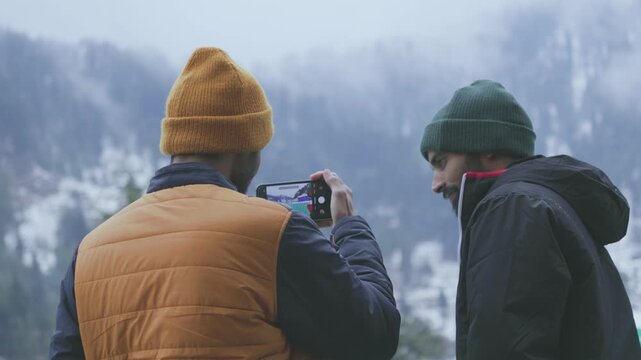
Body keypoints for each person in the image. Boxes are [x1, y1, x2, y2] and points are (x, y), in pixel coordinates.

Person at [49, 47, 400, 360]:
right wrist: (350, 227)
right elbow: (375, 335)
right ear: (245, 149)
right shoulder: (273, 232)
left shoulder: (90, 253)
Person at [420, 80, 641, 359]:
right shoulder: (549, 204)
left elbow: (506, 349)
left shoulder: (513, 209)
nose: (436, 184)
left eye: (441, 163)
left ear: (487, 147)